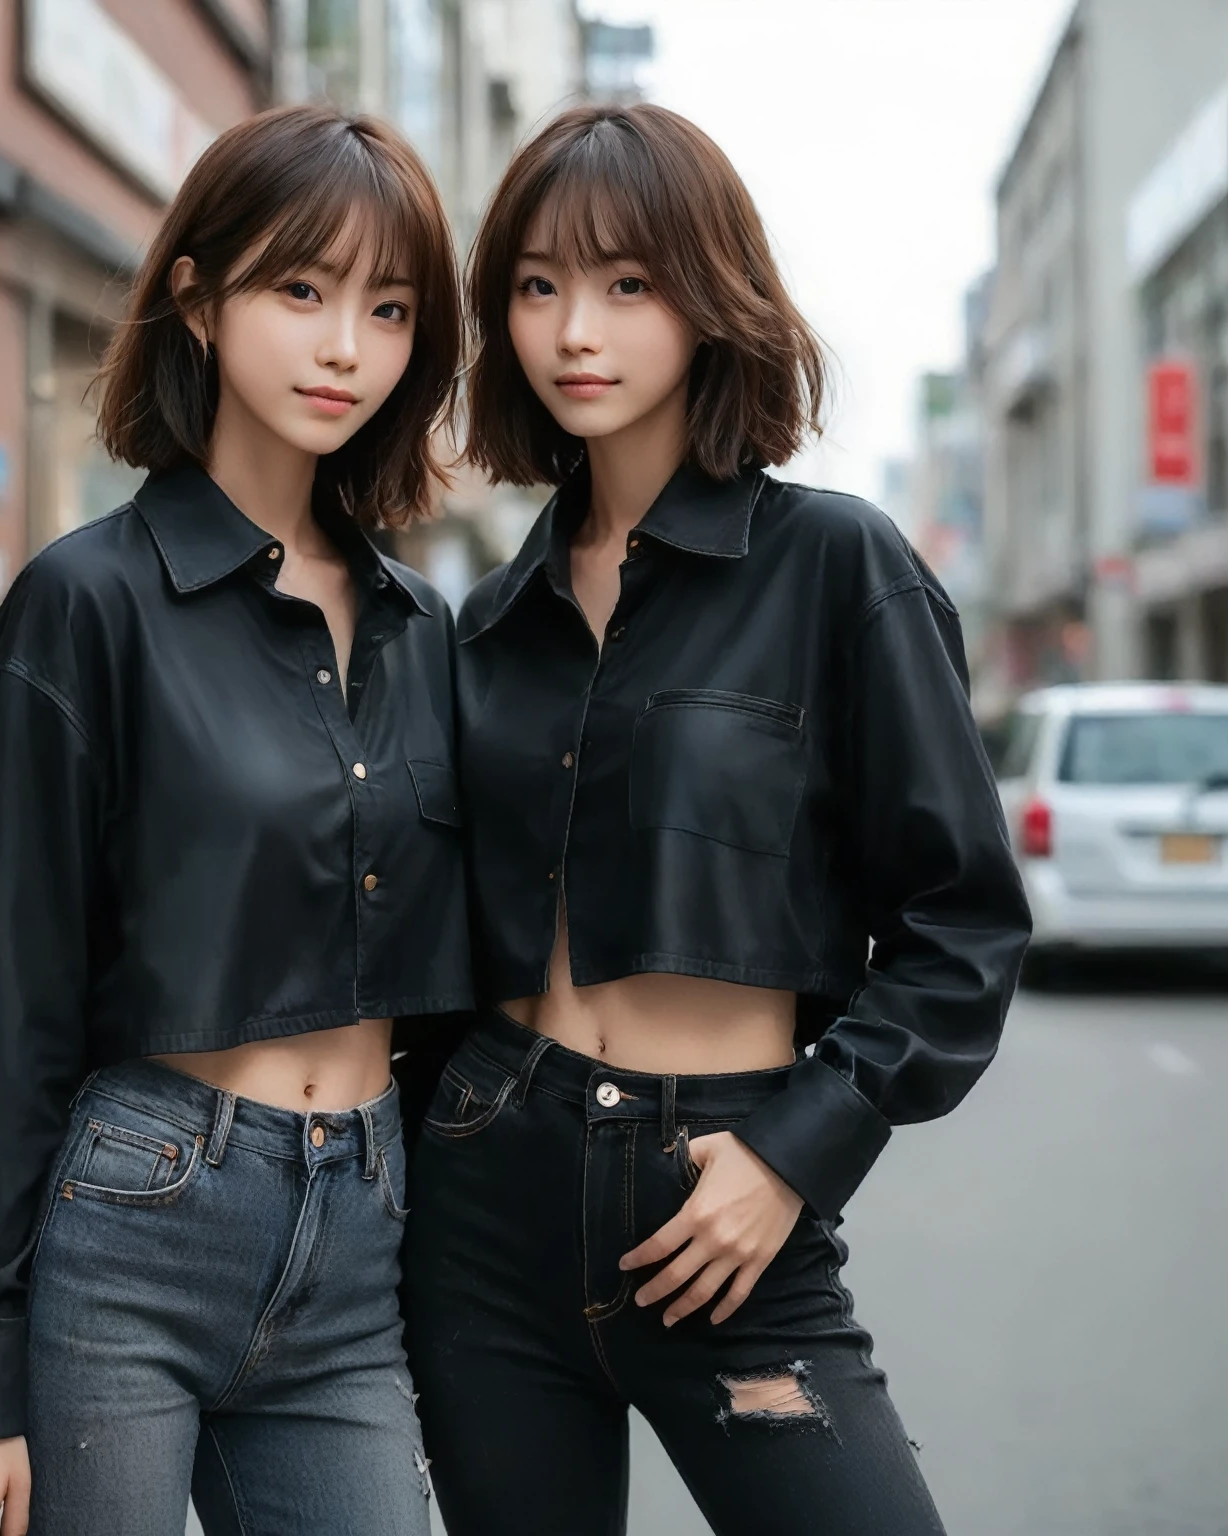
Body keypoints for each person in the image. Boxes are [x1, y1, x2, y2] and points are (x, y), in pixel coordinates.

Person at [399, 103, 1031, 1536]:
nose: (578, 328)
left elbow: (960, 924)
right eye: (542, 284)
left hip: (723, 1194)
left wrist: (799, 1150)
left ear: (709, 296)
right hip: (487, 1193)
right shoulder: (489, 626)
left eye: (629, 283)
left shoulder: (836, 567)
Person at [0, 105, 470, 1536]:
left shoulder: (422, 629)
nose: (347, 346)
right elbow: (4, 990)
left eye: (388, 310)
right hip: (137, 1217)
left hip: (360, 1238)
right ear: (199, 298)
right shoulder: (86, 604)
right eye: (301, 289)